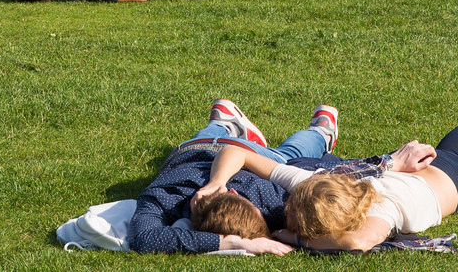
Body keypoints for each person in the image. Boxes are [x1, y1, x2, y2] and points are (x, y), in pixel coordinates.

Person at [197, 95, 458, 251]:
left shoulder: (382, 214)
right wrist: (218, 182)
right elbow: (239, 151)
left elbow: (357, 241)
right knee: (451, 150)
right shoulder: (321, 185)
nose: (285, 210)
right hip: (432, 166)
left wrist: (297, 239)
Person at [125, 100, 337, 255]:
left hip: (243, 152)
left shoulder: (268, 198)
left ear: (235, 192)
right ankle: (224, 121)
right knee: (279, 156)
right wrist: (233, 242)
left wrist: (233, 243)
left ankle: (320, 131)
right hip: (193, 147)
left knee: (286, 157)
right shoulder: (163, 197)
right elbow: (144, 239)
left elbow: (145, 239)